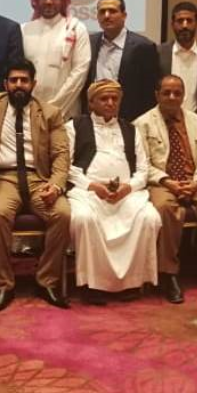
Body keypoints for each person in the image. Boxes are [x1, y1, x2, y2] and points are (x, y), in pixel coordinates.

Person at [0, 59, 71, 312]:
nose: (19, 85)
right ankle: (4, 284)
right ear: (5, 84)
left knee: (61, 214)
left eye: (24, 80)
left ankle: (47, 280)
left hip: (38, 178)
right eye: (14, 80)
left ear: (33, 84)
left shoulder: (50, 112)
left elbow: (61, 154)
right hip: (3, 178)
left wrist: (56, 185)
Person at [135, 75, 197, 299]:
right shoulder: (142, 124)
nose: (172, 97)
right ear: (156, 95)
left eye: (177, 93)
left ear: (183, 95)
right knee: (165, 209)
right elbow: (143, 163)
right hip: (162, 182)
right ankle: (169, 274)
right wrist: (168, 182)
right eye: (166, 93)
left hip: (196, 180)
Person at [66, 80, 162, 303]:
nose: (110, 103)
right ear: (91, 102)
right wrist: (93, 186)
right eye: (104, 99)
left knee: (149, 218)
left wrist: (128, 188)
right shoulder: (75, 126)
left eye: (115, 99)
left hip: (126, 193)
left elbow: (142, 169)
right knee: (84, 219)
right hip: (88, 191)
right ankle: (92, 284)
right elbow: (66, 166)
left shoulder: (131, 130)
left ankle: (132, 282)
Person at [21, 0, 91, 120]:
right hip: (29, 114)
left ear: (63, 0)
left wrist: (53, 109)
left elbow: (79, 74)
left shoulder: (76, 29)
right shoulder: (24, 30)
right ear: (36, 0)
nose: (48, 1)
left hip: (65, 114)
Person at [86, 0, 160, 121]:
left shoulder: (144, 47)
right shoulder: (89, 43)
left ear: (124, 15)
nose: (107, 16)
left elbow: (149, 93)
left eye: (112, 11)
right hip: (93, 121)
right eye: (102, 12)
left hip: (129, 121)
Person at [157, 2, 197, 116]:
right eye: (180, 21)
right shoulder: (158, 53)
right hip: (164, 121)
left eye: (189, 20)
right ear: (172, 24)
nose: (185, 25)